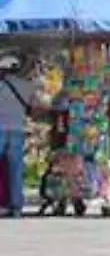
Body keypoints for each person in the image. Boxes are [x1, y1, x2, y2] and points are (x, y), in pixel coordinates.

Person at [0, 53, 42, 219]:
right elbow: (36, 106)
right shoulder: (26, 86)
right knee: (16, 169)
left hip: (0, 130)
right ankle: (16, 206)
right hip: (18, 130)